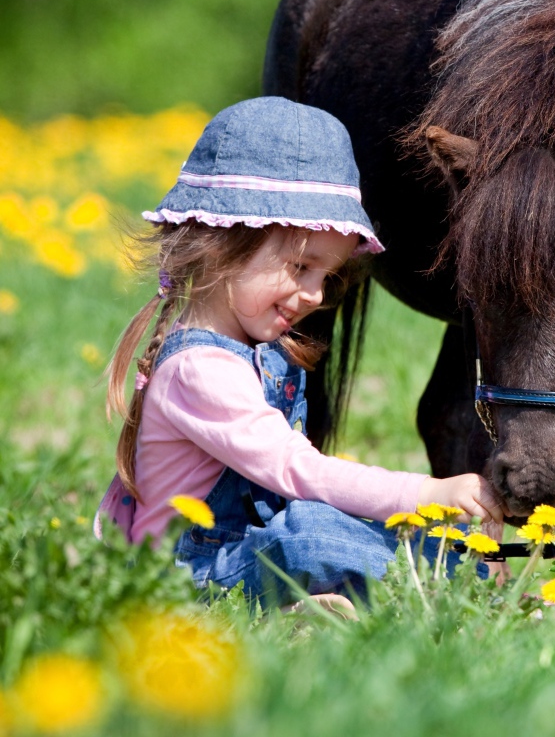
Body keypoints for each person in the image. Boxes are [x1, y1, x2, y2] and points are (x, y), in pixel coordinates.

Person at [95, 96, 501, 609]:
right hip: (186, 580)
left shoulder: (263, 351)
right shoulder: (198, 370)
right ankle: (462, 588)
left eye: (326, 276)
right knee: (310, 535)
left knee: (326, 526)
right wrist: (426, 494)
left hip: (243, 552)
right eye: (301, 267)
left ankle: (457, 578)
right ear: (225, 242)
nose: (315, 295)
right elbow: (297, 470)